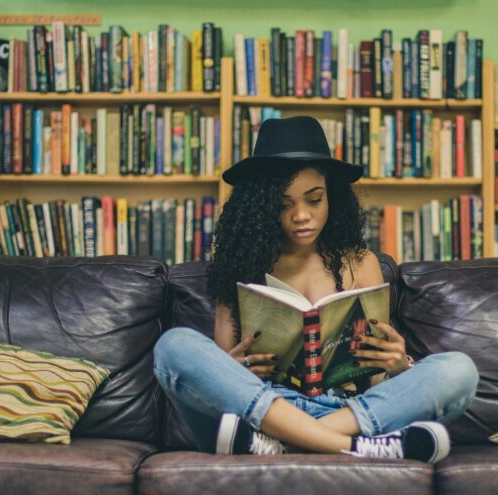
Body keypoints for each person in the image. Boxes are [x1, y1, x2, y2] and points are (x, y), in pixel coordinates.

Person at [153, 116, 479, 462]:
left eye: (314, 199)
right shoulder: (237, 266)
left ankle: (290, 443)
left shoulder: (361, 263)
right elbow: (221, 378)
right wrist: (233, 368)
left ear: (332, 198)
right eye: (284, 204)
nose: (301, 216)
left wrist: (399, 366)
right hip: (262, 408)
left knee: (459, 370)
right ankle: (355, 448)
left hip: (346, 410)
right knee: (173, 347)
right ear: (262, 207)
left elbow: (376, 383)